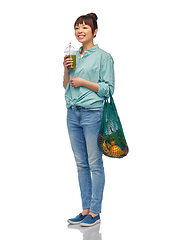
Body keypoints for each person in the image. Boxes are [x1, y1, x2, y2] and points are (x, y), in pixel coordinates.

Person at [63, 13, 115, 227]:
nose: (80, 31)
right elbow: (65, 85)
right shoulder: (74, 55)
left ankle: (95, 212)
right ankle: (85, 209)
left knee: (94, 164)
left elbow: (108, 89)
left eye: (84, 27)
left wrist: (84, 81)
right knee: (81, 164)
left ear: (94, 31)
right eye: (77, 27)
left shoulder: (104, 57)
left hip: (92, 113)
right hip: (72, 113)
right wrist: (66, 70)